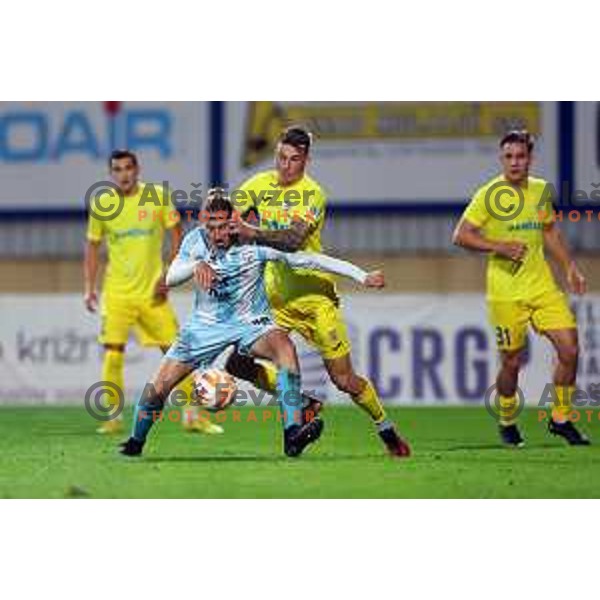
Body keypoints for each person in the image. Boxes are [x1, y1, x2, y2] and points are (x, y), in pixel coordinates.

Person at [119, 190, 386, 457]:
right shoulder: (195, 241)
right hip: (206, 326)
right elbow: (172, 276)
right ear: (203, 223)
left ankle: (292, 434)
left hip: (252, 322)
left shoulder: (254, 242)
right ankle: (134, 444)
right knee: (159, 388)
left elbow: (309, 259)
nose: (217, 234)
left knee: (285, 349)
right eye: (210, 227)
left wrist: (361, 276)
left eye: (223, 226)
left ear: (233, 220)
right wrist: (195, 265)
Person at [226, 126, 411, 458]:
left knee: (343, 379)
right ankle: (304, 403)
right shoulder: (256, 185)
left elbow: (293, 241)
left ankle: (386, 428)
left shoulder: (313, 194)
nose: (285, 165)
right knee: (237, 363)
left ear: (306, 160)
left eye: (294, 159)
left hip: (314, 298)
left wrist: (249, 231)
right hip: (275, 298)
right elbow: (227, 221)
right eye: (281, 157)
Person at [453, 130, 589, 446]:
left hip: (541, 286)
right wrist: (498, 246)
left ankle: (560, 419)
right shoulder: (488, 195)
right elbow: (460, 235)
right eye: (509, 157)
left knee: (569, 349)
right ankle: (507, 418)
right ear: (502, 160)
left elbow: (550, 231)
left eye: (520, 156)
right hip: (505, 292)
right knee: (512, 362)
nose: (515, 163)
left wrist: (569, 267)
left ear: (530, 158)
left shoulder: (540, 190)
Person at [84, 149, 223, 435]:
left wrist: (169, 277)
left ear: (137, 170)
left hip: (153, 294)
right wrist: (89, 288)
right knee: (112, 354)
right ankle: (112, 417)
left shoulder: (157, 197)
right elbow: (92, 248)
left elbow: (177, 237)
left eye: (127, 168)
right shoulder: (102, 204)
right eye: (117, 169)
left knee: (180, 353)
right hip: (117, 294)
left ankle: (192, 416)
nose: (123, 174)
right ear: (111, 174)